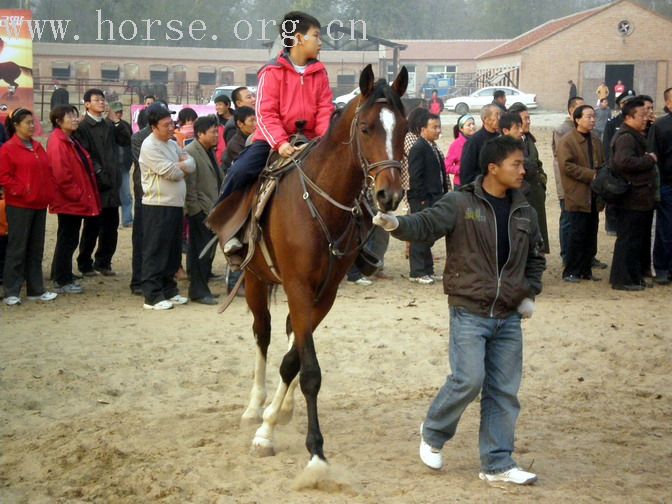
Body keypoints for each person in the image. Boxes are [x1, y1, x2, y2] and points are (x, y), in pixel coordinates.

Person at [372, 135, 545, 486]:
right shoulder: (460, 202)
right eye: (516, 163)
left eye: (523, 164)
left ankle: (497, 464)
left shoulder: (525, 209)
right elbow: (425, 224)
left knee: (504, 391)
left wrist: (529, 293)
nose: (522, 169)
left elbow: (536, 258)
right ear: (493, 168)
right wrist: (396, 225)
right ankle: (434, 432)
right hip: (469, 310)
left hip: (508, 317)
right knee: (468, 379)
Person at [219, 11, 334, 255]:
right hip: (272, 141)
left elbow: (326, 109)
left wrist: (323, 140)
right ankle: (228, 227)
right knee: (240, 171)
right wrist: (280, 142)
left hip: (312, 140)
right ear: (299, 38)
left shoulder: (320, 72)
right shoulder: (271, 71)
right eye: (316, 35)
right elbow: (265, 113)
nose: (320, 41)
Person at [139, 104, 195, 310]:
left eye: (172, 123)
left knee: (172, 250)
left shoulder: (172, 144)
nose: (171, 128)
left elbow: (191, 163)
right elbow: (170, 172)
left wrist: (180, 165)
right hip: (157, 205)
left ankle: (169, 289)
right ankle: (152, 296)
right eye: (166, 125)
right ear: (154, 126)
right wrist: (181, 166)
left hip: (175, 204)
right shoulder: (149, 146)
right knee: (156, 250)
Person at [0, 108, 58, 306]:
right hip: (19, 205)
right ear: (16, 125)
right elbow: (5, 177)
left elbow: (47, 171)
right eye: (27, 123)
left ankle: (36, 289)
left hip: (39, 204)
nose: (32, 126)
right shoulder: (8, 148)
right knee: (17, 248)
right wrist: (22, 191)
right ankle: (12, 291)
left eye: (33, 122)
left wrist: (47, 193)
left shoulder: (37, 147)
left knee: (36, 248)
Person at [73, 88, 131, 277]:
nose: (101, 102)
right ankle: (85, 263)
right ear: (87, 104)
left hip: (112, 184)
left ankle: (104, 262)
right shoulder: (82, 127)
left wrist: (116, 122)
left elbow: (125, 140)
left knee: (111, 226)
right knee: (92, 226)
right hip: (96, 185)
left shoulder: (108, 125)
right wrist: (99, 173)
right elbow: (85, 154)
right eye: (96, 100)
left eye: (102, 99)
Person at [47, 105, 101, 294]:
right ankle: (62, 280)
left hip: (73, 199)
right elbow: (62, 176)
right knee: (68, 239)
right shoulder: (58, 142)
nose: (75, 119)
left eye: (75, 115)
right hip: (69, 201)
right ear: (58, 121)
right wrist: (79, 196)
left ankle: (62, 273)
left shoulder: (69, 139)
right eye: (70, 116)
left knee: (68, 238)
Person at [609, 98, 658, 291]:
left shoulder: (636, 135)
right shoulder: (626, 137)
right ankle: (622, 279)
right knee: (627, 240)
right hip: (630, 198)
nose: (646, 118)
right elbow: (623, 162)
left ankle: (634, 276)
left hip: (640, 198)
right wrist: (649, 160)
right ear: (629, 117)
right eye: (642, 115)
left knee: (636, 240)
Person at [129, 102, 173, 296]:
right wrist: (176, 166)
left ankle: (163, 281)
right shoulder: (141, 139)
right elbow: (164, 168)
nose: (171, 126)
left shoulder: (170, 140)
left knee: (164, 241)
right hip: (146, 194)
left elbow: (185, 162)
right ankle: (139, 280)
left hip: (168, 196)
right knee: (144, 240)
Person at [557, 105, 604, 282]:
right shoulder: (568, 141)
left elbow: (602, 163)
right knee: (576, 234)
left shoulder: (596, 140)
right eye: (588, 117)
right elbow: (566, 166)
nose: (592, 120)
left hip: (593, 194)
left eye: (594, 117)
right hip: (577, 193)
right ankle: (571, 271)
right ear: (577, 119)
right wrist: (591, 174)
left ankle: (586, 270)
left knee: (590, 233)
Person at [185, 115, 222, 305]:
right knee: (199, 252)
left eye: (217, 131)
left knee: (205, 253)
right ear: (200, 134)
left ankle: (202, 287)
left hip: (212, 210)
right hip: (201, 212)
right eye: (213, 132)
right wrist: (196, 211)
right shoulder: (191, 151)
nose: (216, 135)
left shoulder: (208, 151)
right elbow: (190, 188)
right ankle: (198, 291)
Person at [407, 112, 448, 284]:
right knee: (420, 234)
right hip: (423, 200)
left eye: (439, 127)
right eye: (434, 127)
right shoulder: (418, 148)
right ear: (423, 129)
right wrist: (422, 199)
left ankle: (428, 270)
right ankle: (417, 272)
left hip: (436, 197)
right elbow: (415, 176)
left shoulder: (432, 147)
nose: (438, 131)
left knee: (429, 235)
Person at [509, 103, 550, 253]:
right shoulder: (511, 143)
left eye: (529, 118)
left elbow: (537, 163)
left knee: (536, 234)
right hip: (522, 195)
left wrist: (543, 180)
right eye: (525, 118)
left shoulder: (528, 140)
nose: (528, 121)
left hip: (536, 193)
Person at [651, 87, 672, 285]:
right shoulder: (661, 126)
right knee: (666, 228)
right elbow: (654, 157)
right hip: (667, 184)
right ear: (668, 103)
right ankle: (662, 267)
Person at [459, 104, 500, 186]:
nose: (500, 118)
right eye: (497, 115)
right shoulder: (474, 141)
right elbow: (466, 174)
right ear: (486, 119)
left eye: (500, 114)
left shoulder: (501, 138)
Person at [109, 101, 133, 228]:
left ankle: (127, 219)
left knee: (126, 195)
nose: (118, 114)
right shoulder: (105, 125)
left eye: (120, 112)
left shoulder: (125, 125)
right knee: (111, 196)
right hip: (110, 167)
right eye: (115, 112)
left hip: (124, 165)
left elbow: (128, 139)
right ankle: (113, 222)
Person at [444, 114, 475, 190]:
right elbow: (446, 167)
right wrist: (463, 169)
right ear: (461, 128)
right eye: (469, 125)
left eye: (473, 124)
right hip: (461, 184)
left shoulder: (478, 141)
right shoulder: (456, 145)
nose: (472, 127)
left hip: (476, 183)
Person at [214, 94, 233, 165]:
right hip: (221, 157)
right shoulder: (215, 121)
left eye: (220, 104)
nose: (217, 107)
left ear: (227, 105)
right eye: (216, 105)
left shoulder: (237, 118)